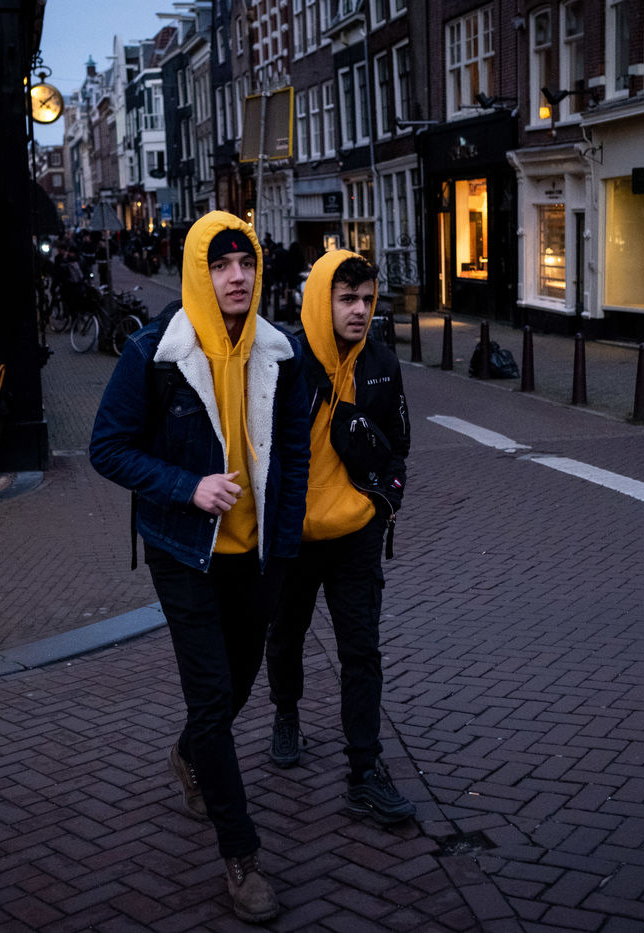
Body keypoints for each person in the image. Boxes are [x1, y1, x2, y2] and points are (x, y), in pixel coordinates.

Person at [89, 211, 310, 923]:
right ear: (196, 271)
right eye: (220, 264)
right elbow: (106, 448)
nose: (237, 277)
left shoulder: (280, 351)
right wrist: (188, 486)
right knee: (214, 697)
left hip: (259, 555)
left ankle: (188, 754)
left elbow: (296, 453)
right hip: (185, 550)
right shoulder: (154, 354)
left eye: (246, 262)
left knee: (239, 683)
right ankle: (241, 857)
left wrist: (285, 543)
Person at [264, 250, 414, 825]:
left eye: (367, 300)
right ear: (320, 300)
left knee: (361, 651)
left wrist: (385, 502)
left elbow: (398, 442)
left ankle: (364, 771)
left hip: (355, 534)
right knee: (286, 635)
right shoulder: (285, 362)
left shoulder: (381, 362)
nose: (359, 311)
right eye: (347, 298)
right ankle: (286, 714)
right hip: (295, 536)